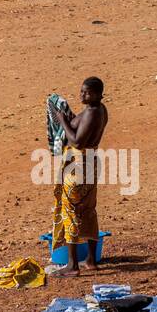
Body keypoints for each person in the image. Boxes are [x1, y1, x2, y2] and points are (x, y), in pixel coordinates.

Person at [51, 76, 109, 276]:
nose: (82, 95)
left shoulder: (92, 114)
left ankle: (72, 265)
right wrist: (68, 119)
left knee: (71, 210)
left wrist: (62, 121)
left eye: (87, 92)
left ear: (99, 94)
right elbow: (79, 126)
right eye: (82, 91)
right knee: (89, 209)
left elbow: (76, 141)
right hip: (91, 162)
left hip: (79, 165)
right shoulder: (99, 110)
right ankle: (91, 260)